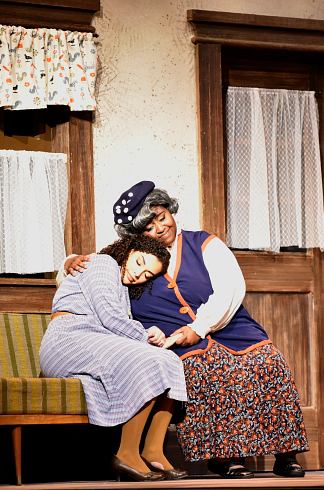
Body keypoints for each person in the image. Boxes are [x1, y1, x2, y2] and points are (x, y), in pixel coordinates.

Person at [61, 182, 309, 478]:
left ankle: (286, 453)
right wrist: (68, 262)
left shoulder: (203, 243)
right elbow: (89, 272)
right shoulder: (133, 260)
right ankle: (224, 456)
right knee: (205, 367)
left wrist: (200, 326)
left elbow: (231, 288)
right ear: (136, 238)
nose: (159, 228)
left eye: (161, 217)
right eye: (148, 228)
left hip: (228, 327)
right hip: (176, 341)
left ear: (169, 209)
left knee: (269, 360)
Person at [39, 234, 188, 482]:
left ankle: (152, 450)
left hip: (91, 340)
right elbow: (110, 318)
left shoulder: (121, 288)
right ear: (128, 250)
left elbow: (116, 322)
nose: (139, 275)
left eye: (147, 275)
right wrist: (147, 339)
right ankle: (127, 453)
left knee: (171, 361)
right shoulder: (103, 263)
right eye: (139, 262)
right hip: (68, 337)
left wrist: (153, 336)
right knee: (152, 358)